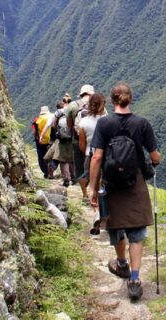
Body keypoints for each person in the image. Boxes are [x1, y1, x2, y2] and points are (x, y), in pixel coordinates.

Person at [88, 82, 161, 301]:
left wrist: (92, 186)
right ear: (131, 99)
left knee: (116, 227)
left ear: (112, 101)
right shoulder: (142, 124)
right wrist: (153, 162)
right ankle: (136, 279)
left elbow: (97, 157)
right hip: (135, 183)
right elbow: (155, 156)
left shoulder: (104, 123)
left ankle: (121, 264)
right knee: (136, 233)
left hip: (111, 183)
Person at [78, 92, 107, 234]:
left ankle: (96, 211)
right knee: (105, 185)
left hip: (90, 156)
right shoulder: (107, 120)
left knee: (93, 186)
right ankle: (106, 213)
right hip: (107, 156)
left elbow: (81, 145)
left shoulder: (83, 122)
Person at [67, 84, 94, 194]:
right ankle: (94, 189)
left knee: (79, 165)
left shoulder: (73, 105)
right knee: (94, 165)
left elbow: (69, 124)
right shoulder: (97, 104)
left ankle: (83, 192)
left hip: (77, 141)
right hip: (94, 142)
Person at [51, 101, 74, 187]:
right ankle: (74, 177)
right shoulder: (73, 109)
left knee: (63, 160)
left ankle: (66, 178)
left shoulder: (58, 112)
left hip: (62, 139)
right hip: (72, 139)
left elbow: (53, 125)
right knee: (72, 159)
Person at [33, 106, 52, 178]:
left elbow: (34, 131)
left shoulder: (36, 120)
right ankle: (51, 171)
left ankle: (45, 172)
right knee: (49, 156)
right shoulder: (50, 118)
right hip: (49, 140)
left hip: (39, 141)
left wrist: (36, 137)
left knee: (41, 156)